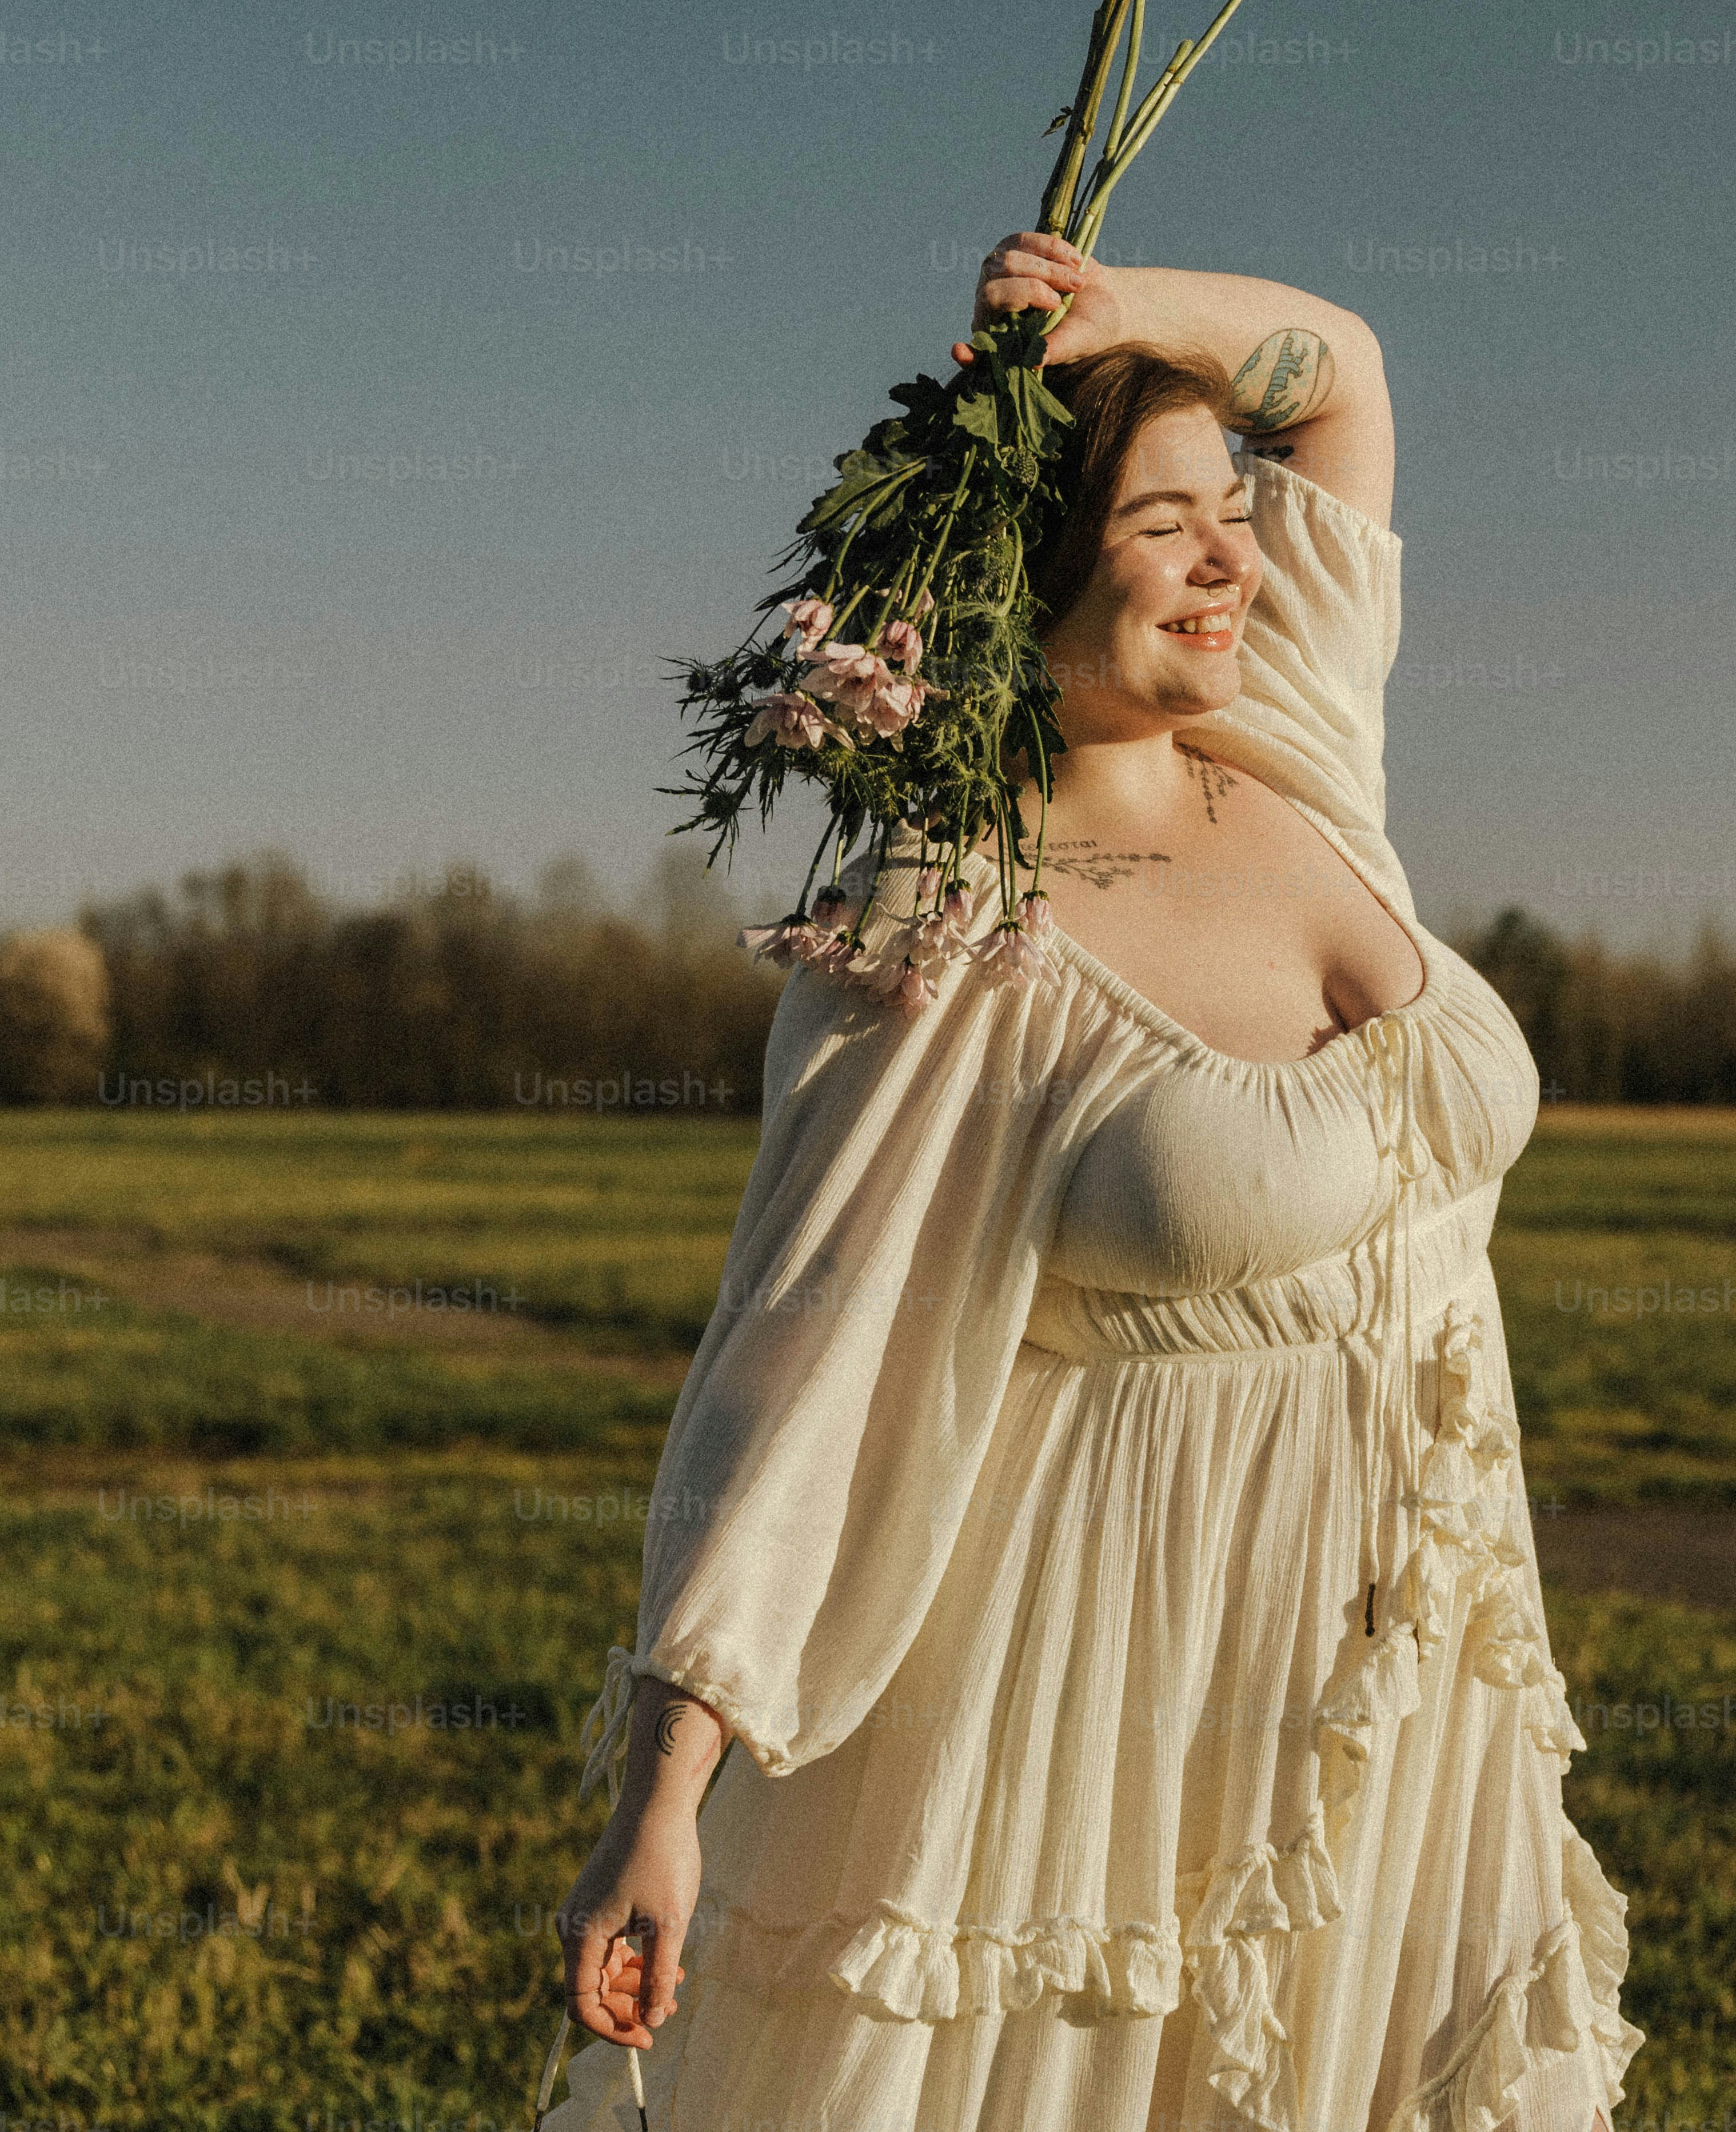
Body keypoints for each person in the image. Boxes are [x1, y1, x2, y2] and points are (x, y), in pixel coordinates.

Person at [541, 238, 1644, 2132]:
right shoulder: (948, 923)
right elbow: (796, 1356)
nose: (1234, 559)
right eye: (1164, 523)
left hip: (1395, 1682)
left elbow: (1342, 375)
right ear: (1019, 577)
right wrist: (664, 1792)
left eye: (1237, 513)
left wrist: (1119, 310)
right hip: (1097, 1701)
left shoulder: (1292, 745)